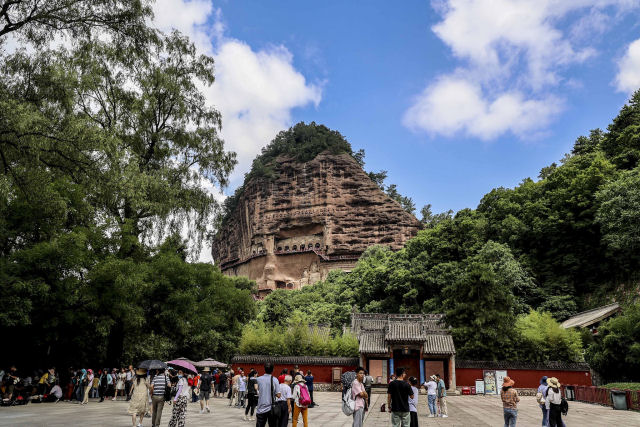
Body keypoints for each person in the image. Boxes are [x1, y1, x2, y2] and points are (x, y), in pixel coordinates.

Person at [256, 363, 281, 427]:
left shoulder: (259, 379)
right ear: (273, 370)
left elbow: (256, 388)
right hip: (271, 408)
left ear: (264, 369)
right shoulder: (275, 380)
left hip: (260, 408)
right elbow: (278, 395)